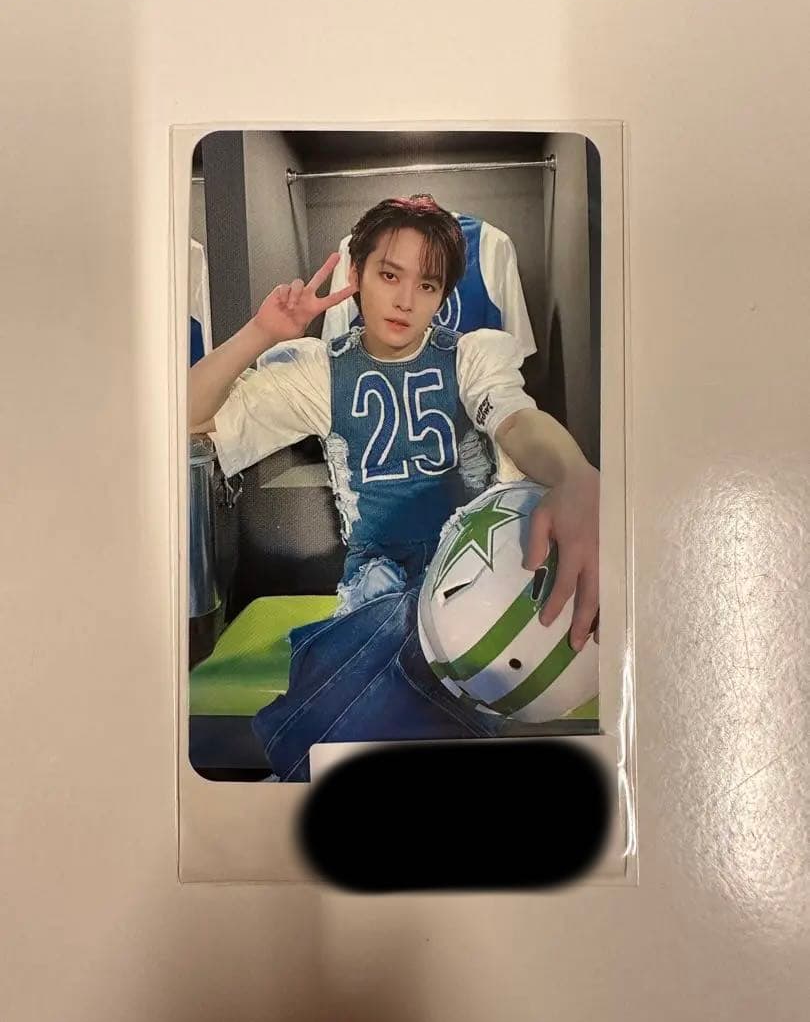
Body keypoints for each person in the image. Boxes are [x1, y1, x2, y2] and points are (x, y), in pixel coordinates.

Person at [189, 195, 600, 778]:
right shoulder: (319, 370)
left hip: (472, 571)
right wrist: (260, 332)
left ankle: (301, 768)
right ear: (356, 274)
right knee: (390, 637)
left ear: (442, 295)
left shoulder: (469, 357)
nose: (406, 300)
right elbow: (186, 417)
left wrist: (574, 473)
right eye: (389, 276)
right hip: (377, 582)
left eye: (427, 285)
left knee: (417, 650)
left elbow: (515, 419)